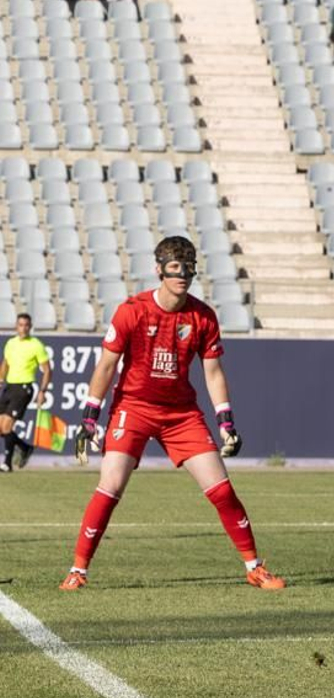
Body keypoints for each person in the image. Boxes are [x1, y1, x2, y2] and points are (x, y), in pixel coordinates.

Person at [60, 236, 284, 592]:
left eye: (188, 267)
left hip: (181, 413)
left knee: (222, 490)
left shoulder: (202, 316)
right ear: (159, 269)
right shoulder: (131, 310)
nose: (183, 274)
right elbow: (106, 366)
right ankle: (78, 570)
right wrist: (90, 416)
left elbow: (213, 373)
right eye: (175, 267)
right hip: (132, 408)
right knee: (111, 485)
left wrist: (226, 421)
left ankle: (254, 567)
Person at [1, 312, 52, 472]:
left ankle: (7, 464)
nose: (23, 328)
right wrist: (1, 379)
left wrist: (43, 390)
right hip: (9, 387)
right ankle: (24, 447)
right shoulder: (11, 343)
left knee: (7, 426)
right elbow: (6, 363)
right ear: (16, 326)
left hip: (24, 388)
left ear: (30, 327)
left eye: (26, 325)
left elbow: (47, 370)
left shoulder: (36, 344)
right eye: (21, 325)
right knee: (1, 428)